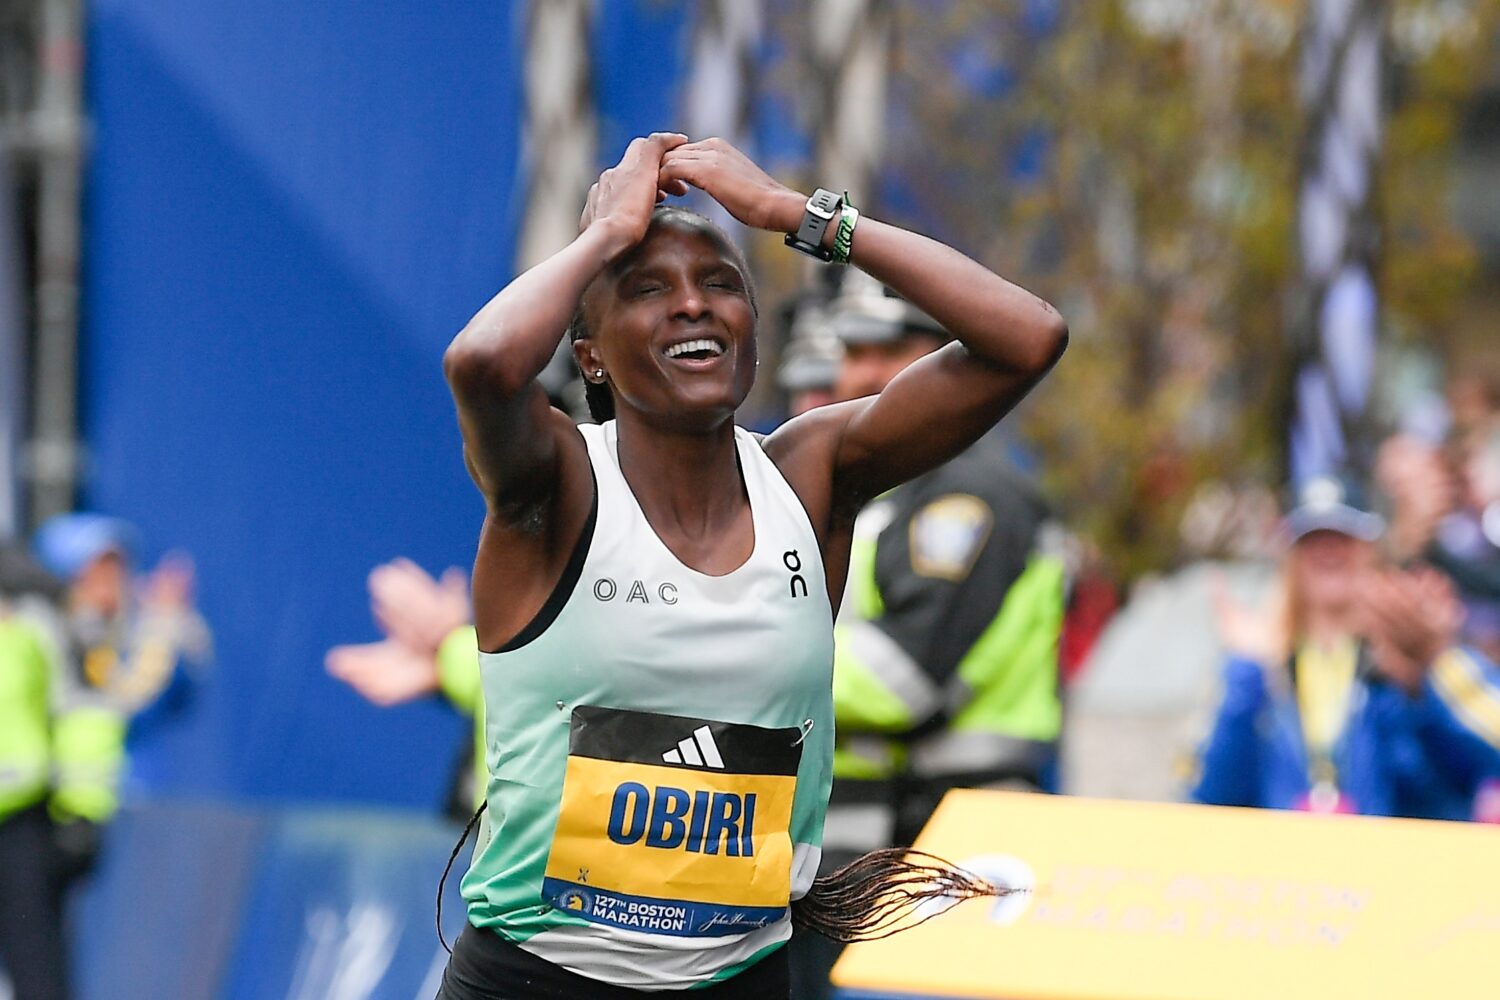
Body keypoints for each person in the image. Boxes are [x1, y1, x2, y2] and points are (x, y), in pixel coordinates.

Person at [436, 133, 1066, 998]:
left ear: (755, 337)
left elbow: (1027, 339)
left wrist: (796, 215)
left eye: (721, 284)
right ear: (590, 354)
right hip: (541, 980)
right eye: (648, 289)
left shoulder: (809, 476)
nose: (692, 305)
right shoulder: (559, 485)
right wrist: (601, 240)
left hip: (746, 978)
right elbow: (480, 364)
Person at [1193, 477, 1500, 819]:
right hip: (1288, 866)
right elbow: (1211, 796)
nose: (1328, 551)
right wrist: (1247, 674)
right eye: (1312, 540)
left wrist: (1421, 685)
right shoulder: (1262, 662)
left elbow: (1461, 780)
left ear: (1373, 551)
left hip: (1387, 865)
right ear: (1290, 559)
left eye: (1344, 538)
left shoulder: (1406, 655)